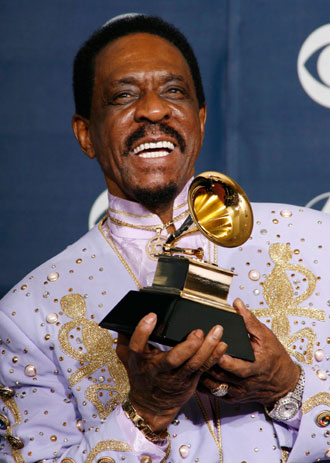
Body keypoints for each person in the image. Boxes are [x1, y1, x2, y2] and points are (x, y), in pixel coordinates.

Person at [0, 13, 329, 463]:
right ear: (86, 134)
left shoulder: (314, 241)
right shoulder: (29, 314)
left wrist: (289, 388)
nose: (154, 110)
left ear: (201, 118)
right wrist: (146, 412)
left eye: (174, 91)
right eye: (123, 96)